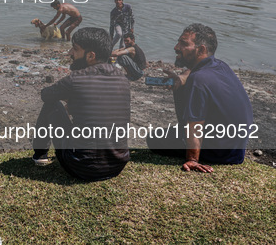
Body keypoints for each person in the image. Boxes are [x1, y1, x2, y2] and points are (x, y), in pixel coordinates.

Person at [147, 23, 254, 173]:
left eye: (183, 44)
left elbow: (195, 125)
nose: (176, 47)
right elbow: (191, 71)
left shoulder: (198, 80)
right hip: (236, 150)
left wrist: (192, 159)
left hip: (221, 153)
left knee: (155, 138)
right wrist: (180, 79)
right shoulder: (220, 65)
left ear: (201, 50)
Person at [32, 27, 131, 181]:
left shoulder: (76, 79)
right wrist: (76, 101)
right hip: (117, 164)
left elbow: (46, 95)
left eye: (75, 49)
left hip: (82, 167)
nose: (70, 53)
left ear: (91, 55)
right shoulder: (123, 80)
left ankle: (40, 156)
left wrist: (69, 98)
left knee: (52, 105)